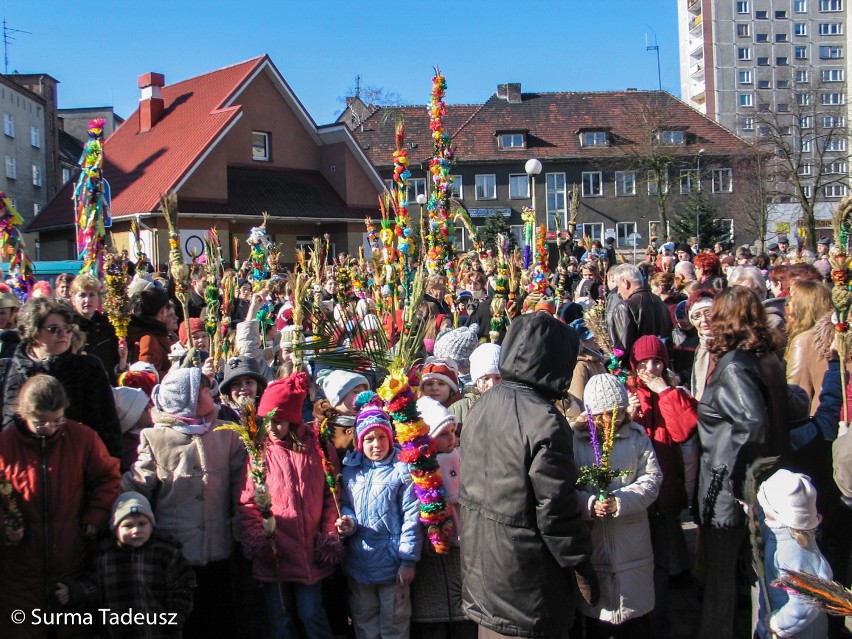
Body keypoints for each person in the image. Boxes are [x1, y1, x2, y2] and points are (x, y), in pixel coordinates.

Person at [460, 312, 595, 637]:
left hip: (483, 568)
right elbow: (556, 512)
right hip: (528, 580)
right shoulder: (544, 420)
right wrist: (580, 565)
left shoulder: (484, 403)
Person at [121, 366, 246, 638]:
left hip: (219, 544)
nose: (211, 394)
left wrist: (242, 526)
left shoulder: (227, 434)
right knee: (185, 619)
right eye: (204, 390)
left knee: (220, 616)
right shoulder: (155, 439)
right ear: (188, 399)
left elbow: (241, 485)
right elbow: (139, 484)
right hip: (175, 550)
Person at [695, 286, 789, 639]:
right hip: (755, 483)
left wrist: (737, 482)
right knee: (754, 574)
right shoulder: (765, 358)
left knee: (722, 580)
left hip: (731, 489)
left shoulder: (735, 366)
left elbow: (751, 425)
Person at [0, 374, 120, 639]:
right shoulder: (5, 446)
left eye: (57, 420)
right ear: (24, 414)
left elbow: (108, 477)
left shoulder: (82, 438)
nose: (51, 428)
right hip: (19, 571)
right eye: (41, 422)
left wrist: (95, 516)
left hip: (70, 560)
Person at [240, 372, 340, 639]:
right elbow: (250, 500)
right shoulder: (259, 452)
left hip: (310, 551)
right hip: (276, 554)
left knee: (312, 615)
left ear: (293, 418)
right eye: (268, 421)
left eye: (280, 421)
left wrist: (329, 534)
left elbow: (331, 495)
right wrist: (259, 539)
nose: (272, 428)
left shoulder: (317, 446)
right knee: (281, 620)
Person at [574, 374, 662, 639]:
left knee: (634, 620)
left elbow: (652, 479)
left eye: (619, 412)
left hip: (631, 543)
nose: (612, 420)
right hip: (595, 543)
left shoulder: (637, 438)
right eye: (604, 415)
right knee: (598, 620)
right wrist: (588, 504)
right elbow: (566, 488)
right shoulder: (574, 441)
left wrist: (621, 501)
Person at [335, 394, 423, 639]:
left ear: (390, 437)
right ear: (359, 442)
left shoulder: (401, 471)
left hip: (391, 566)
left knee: (394, 622)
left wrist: (407, 561)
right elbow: (345, 504)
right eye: (370, 439)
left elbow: (411, 519)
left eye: (382, 436)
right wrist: (348, 522)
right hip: (359, 562)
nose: (376, 444)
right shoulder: (351, 470)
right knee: (364, 622)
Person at [626, 336, 697, 638]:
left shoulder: (674, 392)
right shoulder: (627, 392)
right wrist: (626, 415)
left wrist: (665, 393)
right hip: (636, 489)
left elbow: (683, 431)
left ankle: (659, 622)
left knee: (661, 563)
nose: (651, 368)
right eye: (644, 363)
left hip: (666, 489)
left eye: (657, 361)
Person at [54, 492, 196, 637]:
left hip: (157, 631)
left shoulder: (166, 553)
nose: (136, 531)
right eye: (128, 526)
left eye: (142, 524)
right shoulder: (104, 555)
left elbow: (181, 588)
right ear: (116, 530)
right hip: (117, 630)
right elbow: (93, 587)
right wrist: (73, 592)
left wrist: (173, 619)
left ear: (151, 525)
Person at [0, 296, 123, 457]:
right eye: (54, 329)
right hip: (19, 469)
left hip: (74, 467)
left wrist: (108, 473)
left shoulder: (88, 368)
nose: (64, 334)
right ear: (33, 331)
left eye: (68, 328)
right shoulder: (6, 370)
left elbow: (107, 429)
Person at [411, 397, 475, 639]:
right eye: (445, 434)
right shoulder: (417, 469)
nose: (453, 439)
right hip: (433, 552)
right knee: (434, 617)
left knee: (463, 617)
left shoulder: (460, 457)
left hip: (462, 547)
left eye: (453, 432)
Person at [754, 470, 832, 639]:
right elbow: (768, 521)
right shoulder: (790, 532)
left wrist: (777, 623)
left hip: (796, 633)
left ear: (775, 512)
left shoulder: (791, 553)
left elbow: (805, 603)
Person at [607, 264, 672, 365]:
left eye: (618, 287)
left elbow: (621, 349)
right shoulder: (660, 302)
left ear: (625, 282)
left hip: (636, 370)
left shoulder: (625, 306)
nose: (618, 292)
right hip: (659, 366)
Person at [784, 279, 832, 413]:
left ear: (803, 305)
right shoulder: (837, 335)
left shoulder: (803, 341)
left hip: (819, 419)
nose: (787, 303)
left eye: (792, 298)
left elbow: (797, 392)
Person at [70, 273, 125, 383]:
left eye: (92, 295)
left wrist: (123, 359)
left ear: (99, 298)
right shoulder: (68, 327)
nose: (87, 300)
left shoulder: (109, 325)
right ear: (73, 299)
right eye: (82, 295)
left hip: (106, 386)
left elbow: (116, 366)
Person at [127, 286, 173, 380]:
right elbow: (147, 377)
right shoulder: (149, 339)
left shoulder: (152, 333)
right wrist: (175, 373)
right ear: (162, 311)